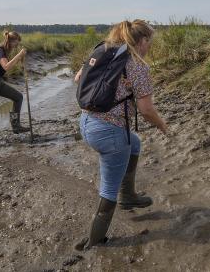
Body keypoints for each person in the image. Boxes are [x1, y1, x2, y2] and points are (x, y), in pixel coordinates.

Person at [75, 19, 168, 250]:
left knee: (134, 142)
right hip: (110, 134)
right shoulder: (138, 66)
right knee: (108, 191)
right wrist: (163, 126)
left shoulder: (103, 51)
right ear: (141, 40)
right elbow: (146, 110)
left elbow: (79, 78)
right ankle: (94, 243)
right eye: (149, 42)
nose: (149, 47)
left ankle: (129, 196)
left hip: (86, 123)